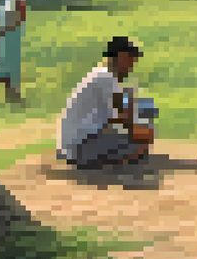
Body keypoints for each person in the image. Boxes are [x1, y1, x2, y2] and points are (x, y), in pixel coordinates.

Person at [57, 37, 153, 168]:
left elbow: (114, 118)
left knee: (135, 142)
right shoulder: (106, 77)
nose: (131, 67)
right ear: (121, 58)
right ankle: (101, 162)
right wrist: (141, 131)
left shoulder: (101, 75)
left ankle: (106, 158)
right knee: (138, 147)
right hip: (81, 145)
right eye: (130, 60)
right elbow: (124, 119)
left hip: (74, 143)